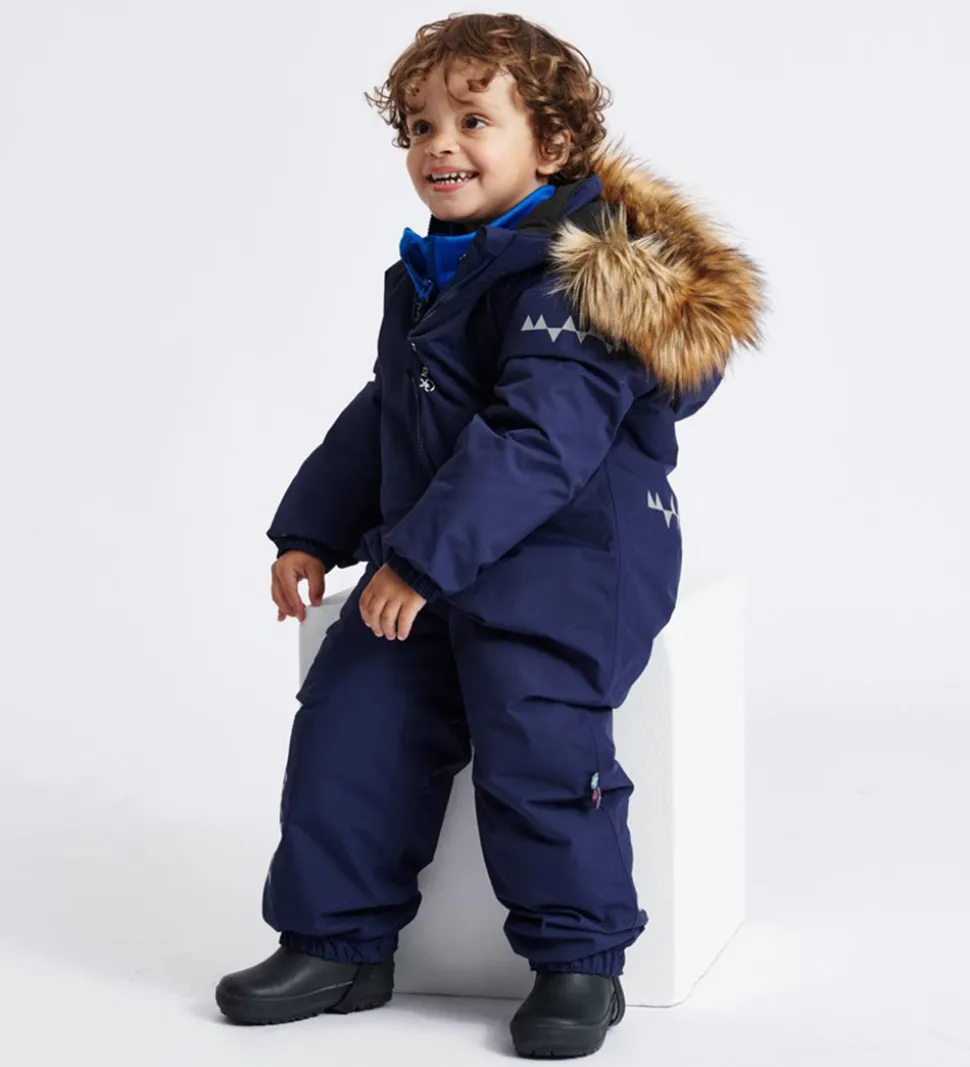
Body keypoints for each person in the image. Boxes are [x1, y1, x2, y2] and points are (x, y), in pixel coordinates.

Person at [215, 12, 765, 1059]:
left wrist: (420, 560)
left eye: (474, 121)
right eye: (422, 126)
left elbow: (539, 439)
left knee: (535, 726)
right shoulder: (441, 270)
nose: (441, 146)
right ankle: (336, 940)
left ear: (550, 145)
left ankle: (579, 957)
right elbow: (385, 413)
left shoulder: (578, 276)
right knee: (351, 714)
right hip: (448, 548)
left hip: (575, 555)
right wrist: (312, 532)